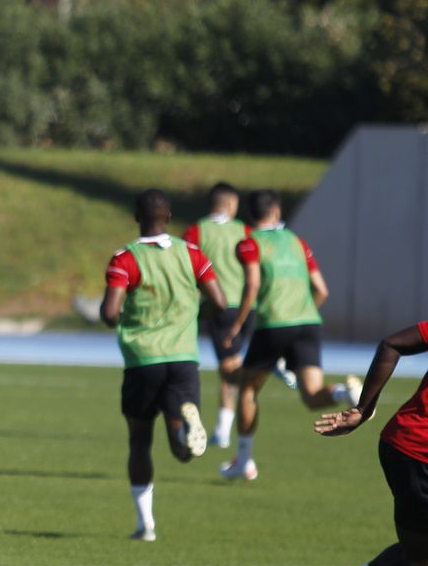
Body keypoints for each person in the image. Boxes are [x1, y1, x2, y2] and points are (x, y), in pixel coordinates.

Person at [100, 189, 226, 541]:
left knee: (139, 442)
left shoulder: (126, 258)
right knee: (181, 451)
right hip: (183, 357)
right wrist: (191, 318)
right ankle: (188, 430)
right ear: (169, 217)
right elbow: (220, 300)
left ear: (136, 217)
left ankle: (146, 525)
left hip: (143, 360)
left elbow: (110, 313)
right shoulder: (193, 254)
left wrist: (112, 316)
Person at [297, 322, 428, 566]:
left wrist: (363, 408)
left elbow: (392, 343)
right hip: (421, 457)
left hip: (400, 442)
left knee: (417, 547)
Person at [219, 189, 360, 481]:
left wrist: (237, 324)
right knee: (311, 396)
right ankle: (344, 393)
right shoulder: (297, 241)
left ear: (250, 213)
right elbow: (322, 290)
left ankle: (244, 461)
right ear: (276, 212)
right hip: (308, 322)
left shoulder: (248, 244)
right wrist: (303, 311)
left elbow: (253, 285)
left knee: (246, 389)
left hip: (273, 324)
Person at [183, 183, 252, 449]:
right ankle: (222, 430)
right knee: (230, 368)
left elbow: (185, 266)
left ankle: (272, 362)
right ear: (230, 205)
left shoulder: (196, 231)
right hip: (248, 306)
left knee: (230, 369)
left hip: (220, 307)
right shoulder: (244, 230)